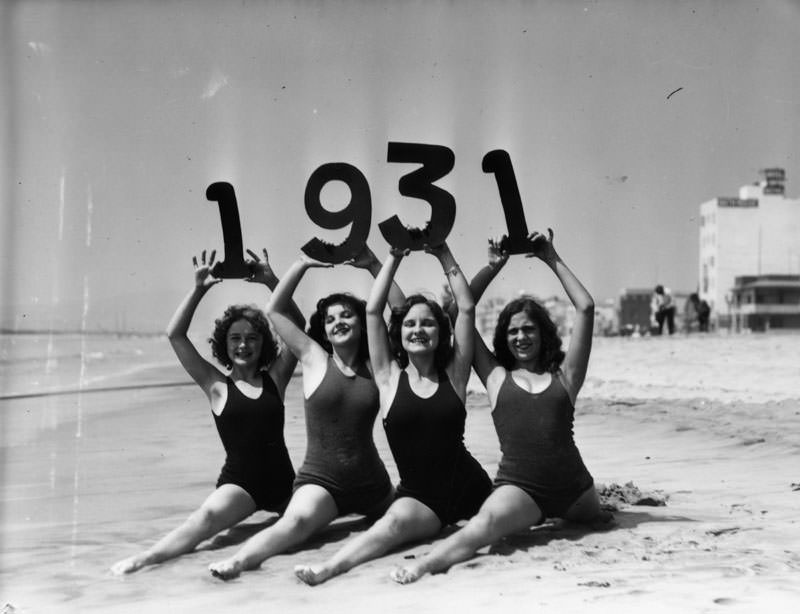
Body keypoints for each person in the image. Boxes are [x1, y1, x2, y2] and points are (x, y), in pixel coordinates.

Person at [390, 229, 605, 584]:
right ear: (503, 338)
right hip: (520, 488)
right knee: (485, 525)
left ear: (543, 334)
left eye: (529, 330)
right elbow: (458, 311)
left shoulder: (566, 377)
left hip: (576, 489)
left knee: (597, 518)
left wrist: (551, 257)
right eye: (513, 332)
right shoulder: (494, 377)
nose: (521, 337)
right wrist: (492, 267)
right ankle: (425, 565)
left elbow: (586, 307)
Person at [293, 241, 491, 586]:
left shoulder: (455, 373)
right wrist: (391, 257)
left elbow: (467, 307)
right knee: (390, 527)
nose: (418, 330)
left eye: (428, 324)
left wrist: (443, 252)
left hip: (471, 485)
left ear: (440, 332)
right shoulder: (387, 377)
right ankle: (330, 568)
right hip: (420, 495)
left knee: (501, 525)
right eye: (410, 324)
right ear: (398, 333)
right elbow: (372, 311)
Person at [207, 246, 404, 580]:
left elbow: (401, 313)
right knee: (295, 524)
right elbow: (276, 311)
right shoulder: (314, 358)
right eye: (330, 319)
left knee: (400, 521)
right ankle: (240, 561)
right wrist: (300, 264)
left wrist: (373, 264)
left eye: (346, 315)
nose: (338, 322)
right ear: (323, 330)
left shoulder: (380, 366)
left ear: (361, 320)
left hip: (373, 483)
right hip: (321, 482)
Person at [111, 249, 301, 575]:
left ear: (263, 343)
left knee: (302, 525)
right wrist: (199, 290)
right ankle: (146, 559)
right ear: (224, 345)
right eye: (235, 338)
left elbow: (297, 324)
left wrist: (271, 280)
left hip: (284, 483)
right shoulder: (215, 385)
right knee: (205, 521)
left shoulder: (276, 377)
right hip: (241, 484)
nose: (243, 345)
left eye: (252, 338)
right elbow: (175, 335)